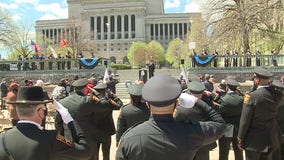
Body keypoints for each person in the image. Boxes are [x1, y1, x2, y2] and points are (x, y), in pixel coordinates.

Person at [116, 74, 226, 160]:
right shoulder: (191, 132)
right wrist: (197, 101)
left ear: (148, 104)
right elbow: (220, 124)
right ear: (176, 104)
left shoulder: (129, 138)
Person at [0, 86, 89, 160]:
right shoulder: (52, 138)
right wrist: (69, 120)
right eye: (43, 109)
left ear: (18, 111)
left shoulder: (2, 137)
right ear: (40, 112)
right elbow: (84, 151)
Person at [237, 67, 282, 160]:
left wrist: (240, 138)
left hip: (254, 140)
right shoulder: (277, 95)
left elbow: (245, 121)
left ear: (257, 80)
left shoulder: (252, 96)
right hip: (273, 138)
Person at [174, 81, 219, 160]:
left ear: (190, 92)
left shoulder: (183, 105)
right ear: (202, 92)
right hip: (204, 140)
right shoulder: (208, 104)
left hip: (187, 141)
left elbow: (176, 120)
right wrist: (210, 95)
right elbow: (220, 103)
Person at [91, 81, 123, 160]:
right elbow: (119, 105)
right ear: (104, 90)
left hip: (93, 131)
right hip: (106, 131)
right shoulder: (108, 102)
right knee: (106, 153)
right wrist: (113, 96)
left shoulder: (91, 101)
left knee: (95, 153)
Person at [215, 79, 244, 160]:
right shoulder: (241, 99)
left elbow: (217, 109)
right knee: (239, 153)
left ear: (227, 87)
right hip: (238, 129)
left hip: (225, 129)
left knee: (223, 154)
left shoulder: (224, 99)